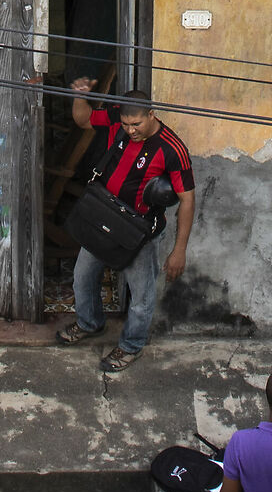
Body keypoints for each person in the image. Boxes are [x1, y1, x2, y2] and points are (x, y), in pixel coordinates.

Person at [55, 83, 194, 371]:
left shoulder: (172, 149)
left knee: (140, 296)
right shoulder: (116, 118)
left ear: (152, 114)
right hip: (102, 217)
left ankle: (131, 346)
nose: (131, 130)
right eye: (126, 124)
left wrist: (179, 250)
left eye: (137, 124)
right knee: (82, 277)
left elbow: (187, 200)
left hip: (138, 231)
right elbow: (83, 119)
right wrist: (80, 94)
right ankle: (90, 323)